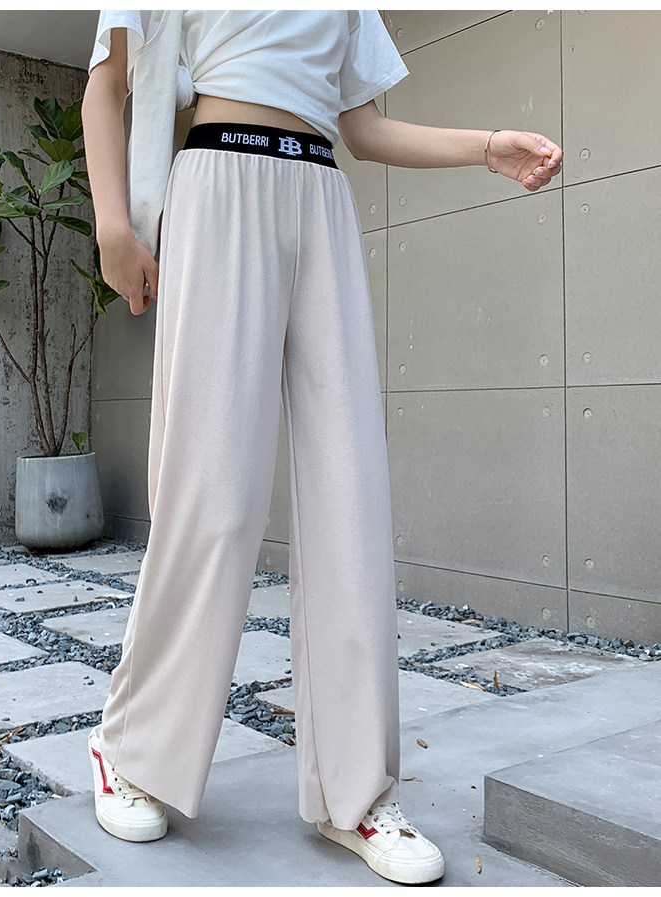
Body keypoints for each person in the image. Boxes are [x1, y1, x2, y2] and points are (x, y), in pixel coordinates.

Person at [81, 10, 562, 886]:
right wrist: (114, 223)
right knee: (213, 499)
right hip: (218, 179)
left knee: (351, 497)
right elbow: (106, 82)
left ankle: (356, 792)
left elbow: (363, 129)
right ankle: (132, 749)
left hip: (322, 196)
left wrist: (486, 147)